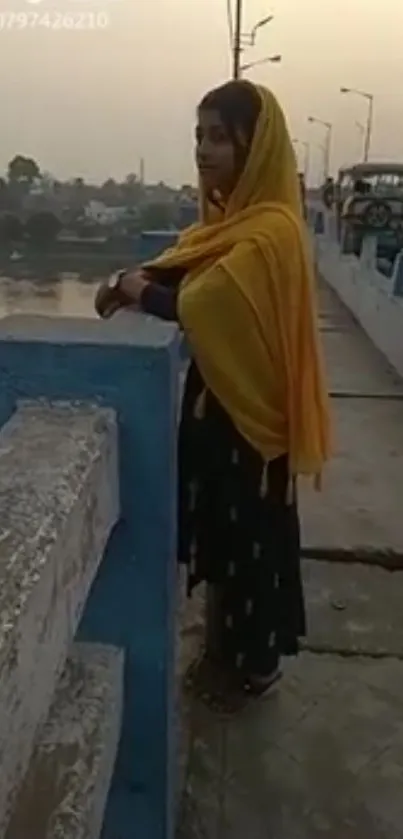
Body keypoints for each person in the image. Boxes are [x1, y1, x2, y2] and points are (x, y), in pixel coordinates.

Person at [95, 80, 331, 712]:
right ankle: (232, 651)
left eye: (220, 137)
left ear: (254, 148)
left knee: (253, 546)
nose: (204, 150)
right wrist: (138, 281)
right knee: (227, 541)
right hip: (226, 413)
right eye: (199, 135)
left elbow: (204, 301)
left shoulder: (272, 232)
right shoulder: (236, 226)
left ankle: (255, 669)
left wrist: (136, 288)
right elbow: (192, 262)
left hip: (251, 424)